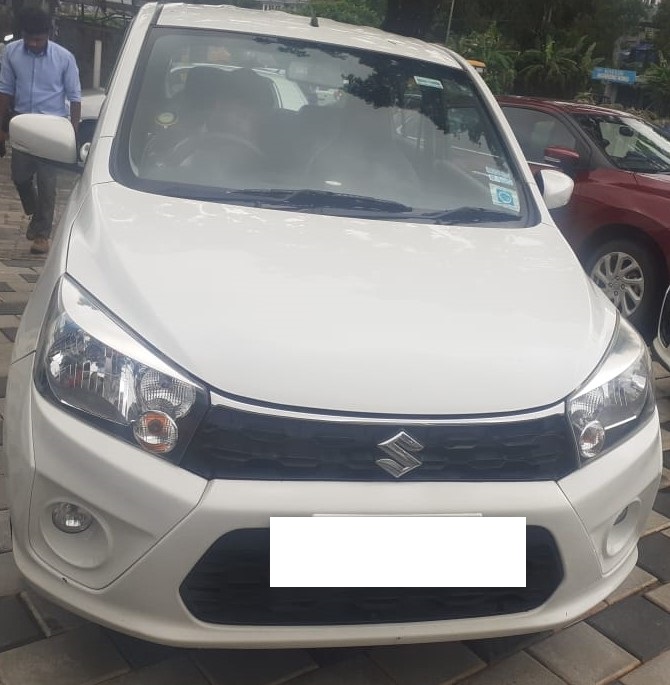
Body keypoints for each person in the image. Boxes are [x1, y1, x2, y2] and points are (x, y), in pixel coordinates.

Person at [0, 8, 81, 255]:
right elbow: (5, 90)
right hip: (23, 123)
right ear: (22, 34)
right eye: (30, 38)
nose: (34, 44)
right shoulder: (11, 52)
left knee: (47, 183)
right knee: (20, 176)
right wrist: (2, 128)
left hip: (52, 127)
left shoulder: (64, 58)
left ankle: (42, 235)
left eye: (39, 39)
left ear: (49, 34)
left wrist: (73, 136)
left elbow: (75, 98)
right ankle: (36, 212)